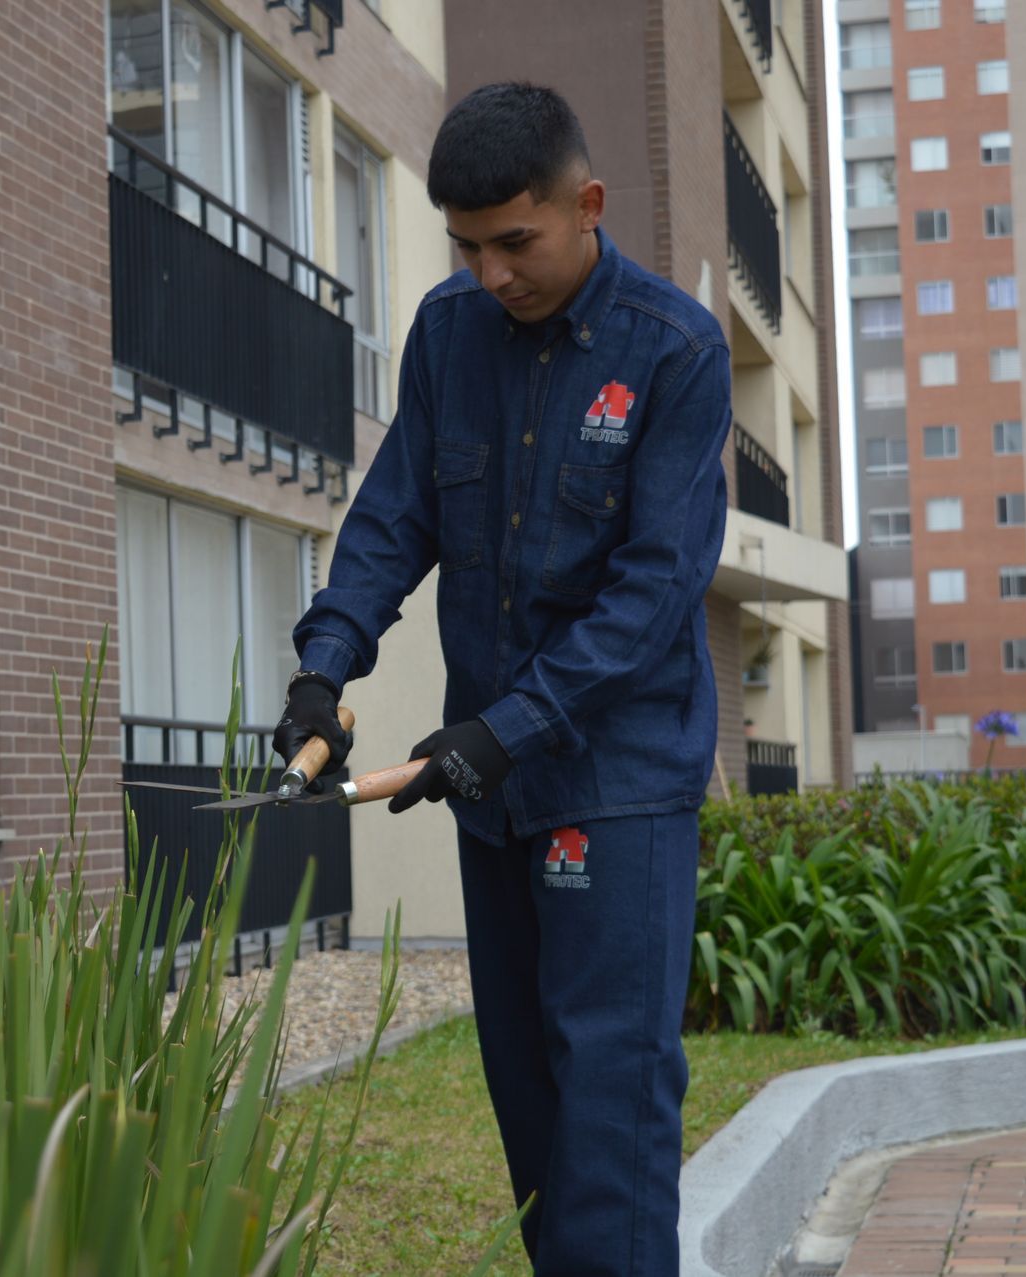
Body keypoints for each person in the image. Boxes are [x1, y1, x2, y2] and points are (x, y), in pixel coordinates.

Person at [272, 82, 732, 1276]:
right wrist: (323, 671)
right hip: (493, 790)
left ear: (586, 206)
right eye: (466, 247)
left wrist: (506, 727)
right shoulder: (446, 333)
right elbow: (392, 519)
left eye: (514, 243)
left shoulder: (677, 350)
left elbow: (653, 595)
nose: (490, 274)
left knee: (610, 1113)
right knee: (529, 1107)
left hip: (615, 786)